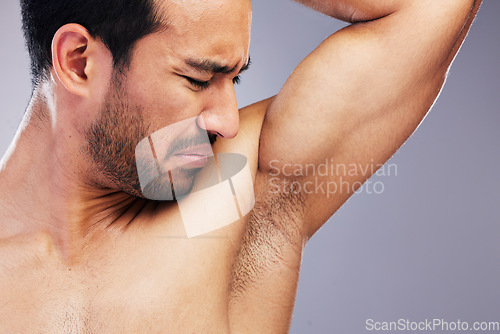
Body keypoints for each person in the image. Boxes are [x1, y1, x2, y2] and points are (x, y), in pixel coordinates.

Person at [0, 0, 481, 332]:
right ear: (79, 61)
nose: (228, 121)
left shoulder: (234, 189)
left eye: (234, 77)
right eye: (198, 78)